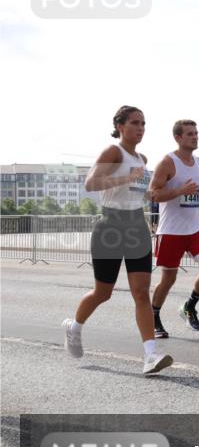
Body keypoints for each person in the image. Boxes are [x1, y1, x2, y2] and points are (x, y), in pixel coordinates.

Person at [62, 106, 173, 375]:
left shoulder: (143, 158)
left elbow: (139, 194)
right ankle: (74, 328)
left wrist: (169, 192)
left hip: (136, 225)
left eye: (144, 123)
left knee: (141, 292)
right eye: (135, 123)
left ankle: (150, 356)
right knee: (103, 293)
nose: (141, 128)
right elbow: (90, 183)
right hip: (110, 226)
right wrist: (126, 176)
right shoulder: (113, 152)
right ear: (120, 126)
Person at [149, 119, 199, 338]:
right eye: (189, 134)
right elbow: (154, 194)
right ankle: (154, 317)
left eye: (196, 133)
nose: (195, 137)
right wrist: (180, 190)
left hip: (194, 228)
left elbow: (194, 193)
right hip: (171, 230)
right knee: (168, 279)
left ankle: (189, 306)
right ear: (178, 138)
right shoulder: (167, 163)